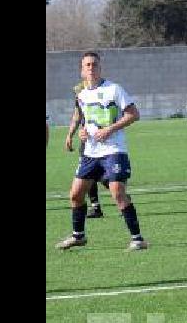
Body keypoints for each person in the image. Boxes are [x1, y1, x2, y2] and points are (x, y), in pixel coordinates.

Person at [55, 52, 149, 251]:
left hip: (114, 149)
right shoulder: (81, 94)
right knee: (75, 195)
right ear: (82, 70)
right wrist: (80, 133)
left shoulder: (114, 89)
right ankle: (78, 236)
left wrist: (110, 129)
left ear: (100, 68)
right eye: (87, 65)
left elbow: (133, 114)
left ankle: (137, 239)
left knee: (117, 192)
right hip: (90, 152)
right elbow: (85, 120)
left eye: (94, 64)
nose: (91, 68)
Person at [63, 79, 108, 219]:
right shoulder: (79, 95)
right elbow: (77, 117)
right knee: (88, 173)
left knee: (96, 174)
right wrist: (70, 135)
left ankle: (117, 191)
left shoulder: (102, 94)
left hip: (100, 139)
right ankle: (96, 207)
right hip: (86, 142)